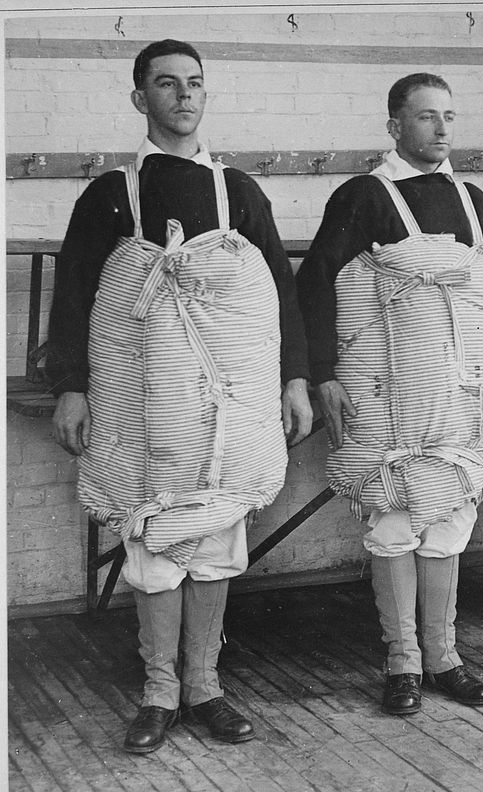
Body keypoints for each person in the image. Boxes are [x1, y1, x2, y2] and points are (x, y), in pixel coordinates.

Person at [47, 39, 313, 753]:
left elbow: (278, 296)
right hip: (142, 405)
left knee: (217, 535)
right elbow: (74, 294)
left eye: (194, 83)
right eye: (166, 85)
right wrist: (70, 386)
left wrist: (293, 378)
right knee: (153, 538)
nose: (183, 96)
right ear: (141, 99)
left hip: (226, 406)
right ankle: (159, 691)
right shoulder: (110, 195)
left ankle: (204, 686)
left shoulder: (240, 192)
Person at [296, 73, 483, 715]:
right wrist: (323, 373)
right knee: (396, 517)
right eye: (426, 117)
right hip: (389, 394)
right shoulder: (364, 196)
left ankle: (444, 657)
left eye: (449, 116)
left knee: (451, 521)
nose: (441, 128)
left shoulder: (474, 200)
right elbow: (317, 281)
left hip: (464, 395)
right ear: (395, 125)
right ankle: (402, 662)